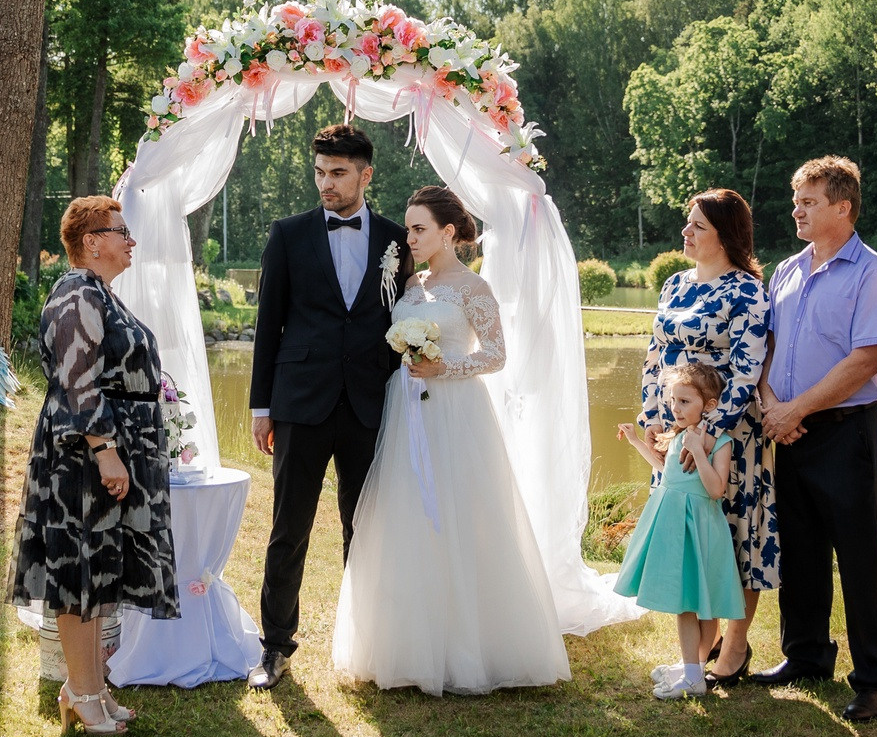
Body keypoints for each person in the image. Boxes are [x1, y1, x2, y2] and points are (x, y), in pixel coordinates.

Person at [333, 184, 572, 695]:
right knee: (408, 515)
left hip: (456, 412)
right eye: (408, 228)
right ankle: (408, 642)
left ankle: (472, 646)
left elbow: (497, 354)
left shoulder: (472, 288)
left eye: (419, 229)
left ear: (447, 232)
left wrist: (446, 367)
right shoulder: (410, 284)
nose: (409, 237)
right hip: (407, 409)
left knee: (464, 518)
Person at [244, 124, 408, 690]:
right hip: (299, 403)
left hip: (371, 402)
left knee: (364, 528)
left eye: (338, 173)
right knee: (289, 529)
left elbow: (401, 321)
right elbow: (270, 324)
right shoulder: (288, 234)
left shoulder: (395, 238)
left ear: (365, 174)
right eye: (320, 172)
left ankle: (369, 645)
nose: (326, 184)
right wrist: (261, 405)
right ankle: (274, 649)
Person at [10, 195, 180, 733]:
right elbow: (77, 379)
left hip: (113, 447)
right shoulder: (74, 291)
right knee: (78, 571)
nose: (131, 241)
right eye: (121, 231)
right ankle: (81, 692)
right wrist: (106, 449)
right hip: (82, 455)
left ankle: (90, 689)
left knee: (99, 571)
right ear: (92, 241)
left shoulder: (102, 293)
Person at [748, 156, 877, 722]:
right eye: (797, 201)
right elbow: (767, 348)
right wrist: (772, 407)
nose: (797, 210)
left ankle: (876, 680)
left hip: (843, 432)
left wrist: (795, 410)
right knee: (801, 551)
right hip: (788, 431)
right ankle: (807, 656)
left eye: (809, 202)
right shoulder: (786, 270)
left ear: (843, 206)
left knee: (860, 557)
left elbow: (864, 361)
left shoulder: (874, 275)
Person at [635, 189, 774, 687]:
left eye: (697, 226)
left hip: (726, 437)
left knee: (731, 540)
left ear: (726, 235)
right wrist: (656, 420)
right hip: (678, 431)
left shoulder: (748, 292)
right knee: (689, 540)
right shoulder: (674, 285)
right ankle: (696, 654)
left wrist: (701, 434)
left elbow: (745, 371)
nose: (686, 232)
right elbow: (655, 358)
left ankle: (733, 650)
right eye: (687, 222)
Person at [615, 365, 749, 699]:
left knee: (701, 604)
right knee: (685, 601)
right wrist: (635, 440)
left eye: (685, 401)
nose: (675, 408)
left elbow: (716, 489)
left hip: (699, 526)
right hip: (673, 524)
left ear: (709, 405)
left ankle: (694, 674)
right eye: (673, 400)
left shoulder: (719, 442)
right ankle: (692, 670)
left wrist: (700, 451)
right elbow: (665, 469)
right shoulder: (677, 434)